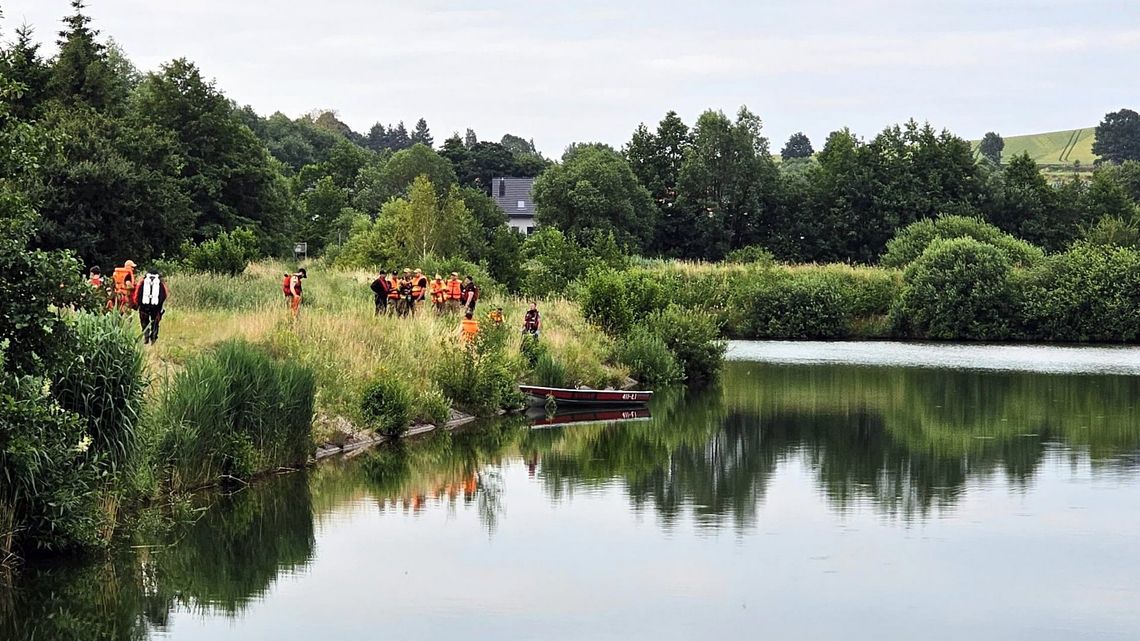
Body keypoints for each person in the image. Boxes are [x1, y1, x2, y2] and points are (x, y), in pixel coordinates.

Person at [131, 268, 169, 344]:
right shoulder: (160, 283)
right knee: (155, 322)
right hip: (156, 308)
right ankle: (154, 337)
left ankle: (146, 336)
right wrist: (160, 305)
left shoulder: (143, 282)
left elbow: (136, 294)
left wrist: (137, 304)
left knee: (144, 322)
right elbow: (165, 294)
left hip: (144, 307)